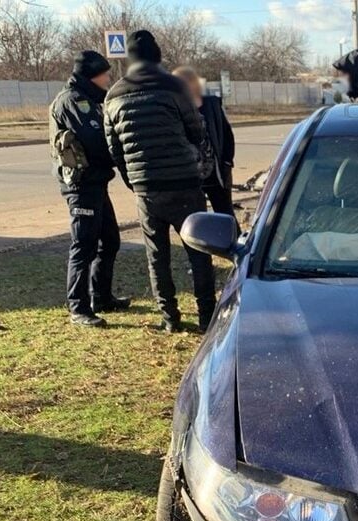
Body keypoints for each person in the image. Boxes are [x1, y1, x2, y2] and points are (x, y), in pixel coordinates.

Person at [104, 31, 216, 333]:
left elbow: (114, 148)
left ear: (130, 59)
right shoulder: (174, 86)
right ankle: (207, 316)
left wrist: (133, 181)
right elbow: (196, 130)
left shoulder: (113, 94)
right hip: (184, 183)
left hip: (146, 187)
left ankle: (170, 319)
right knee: (200, 250)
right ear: (158, 55)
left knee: (157, 256)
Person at [49, 50, 129, 327]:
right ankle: (79, 307)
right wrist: (121, 153)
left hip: (96, 182)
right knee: (84, 245)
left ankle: (102, 297)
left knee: (110, 240)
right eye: (105, 73)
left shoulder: (91, 100)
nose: (109, 78)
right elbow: (97, 142)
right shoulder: (73, 102)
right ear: (93, 74)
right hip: (81, 185)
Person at [173, 66, 236, 217]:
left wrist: (227, 162)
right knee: (198, 218)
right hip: (192, 177)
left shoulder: (211, 104)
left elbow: (227, 135)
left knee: (226, 214)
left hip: (216, 174)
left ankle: (234, 239)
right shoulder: (175, 108)